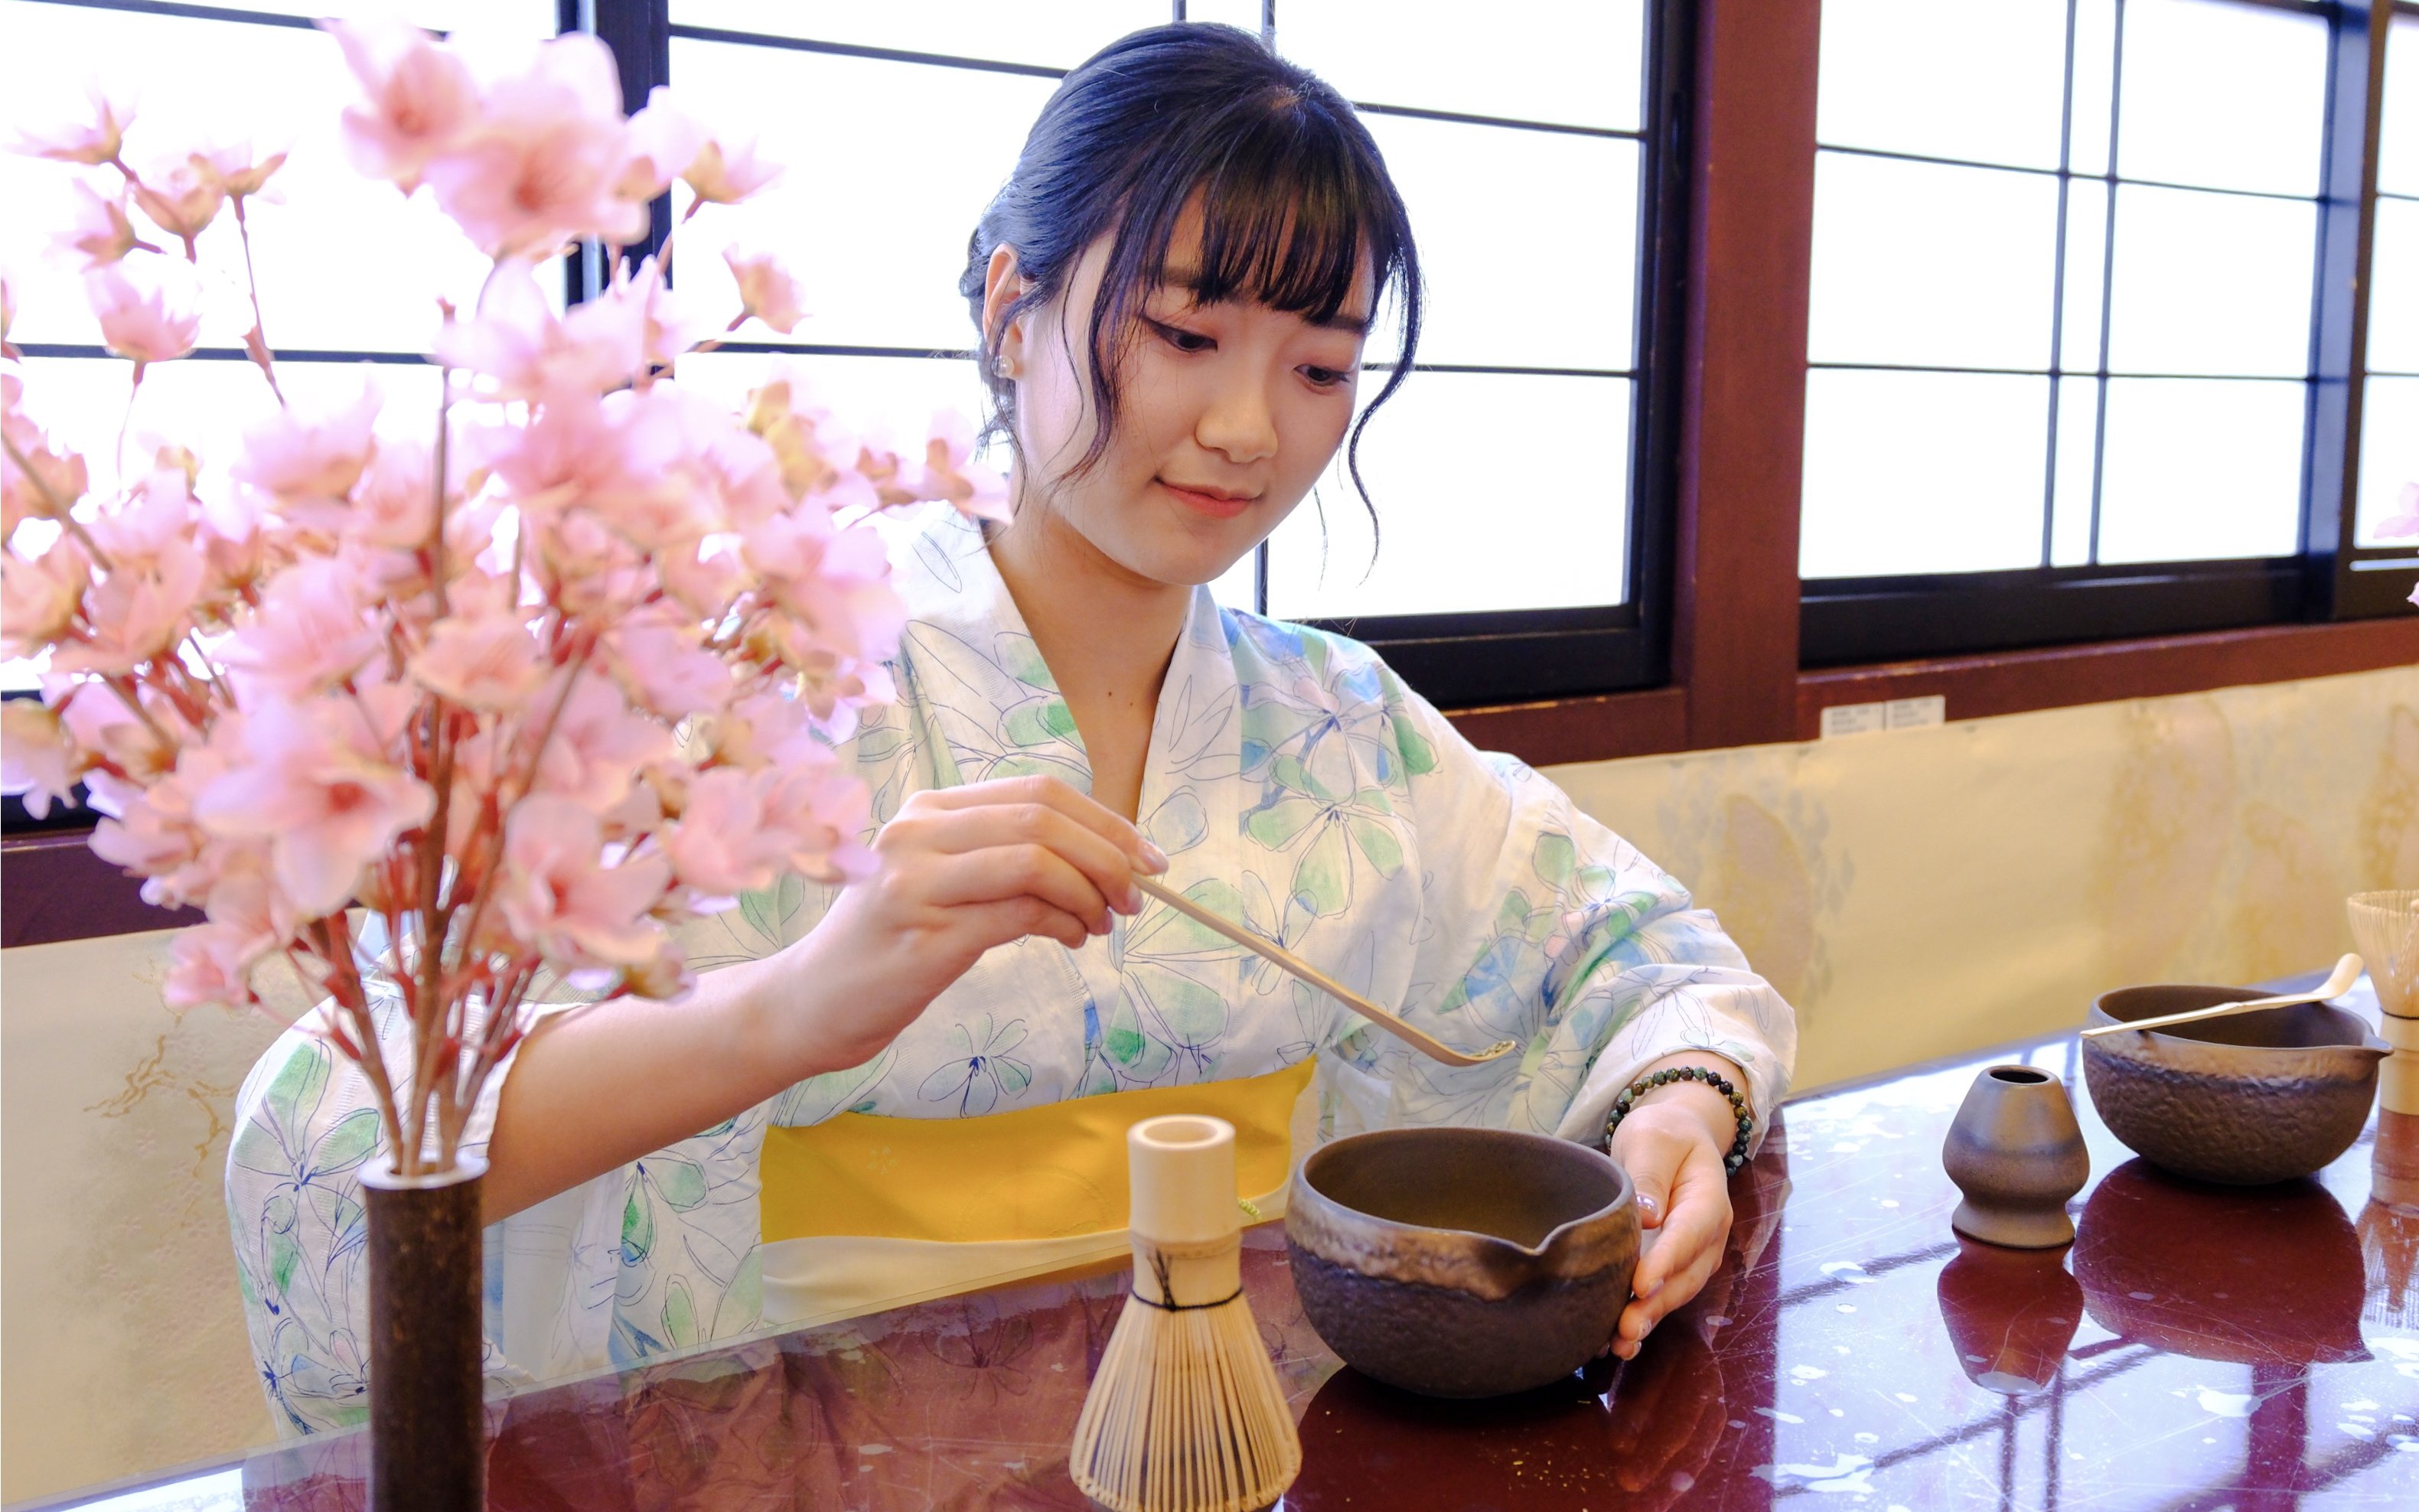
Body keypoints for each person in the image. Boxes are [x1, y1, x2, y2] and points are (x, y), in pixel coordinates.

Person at [227, 22, 1795, 1435]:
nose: (1250, 428)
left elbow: (1652, 964)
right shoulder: (757, 680)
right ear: (1012, 304)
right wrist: (795, 1007)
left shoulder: (1342, 731)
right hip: (803, 1455)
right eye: (1187, 335)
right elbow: (354, 1125)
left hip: (1236, 1433)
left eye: (1318, 365)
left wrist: (1682, 1111)